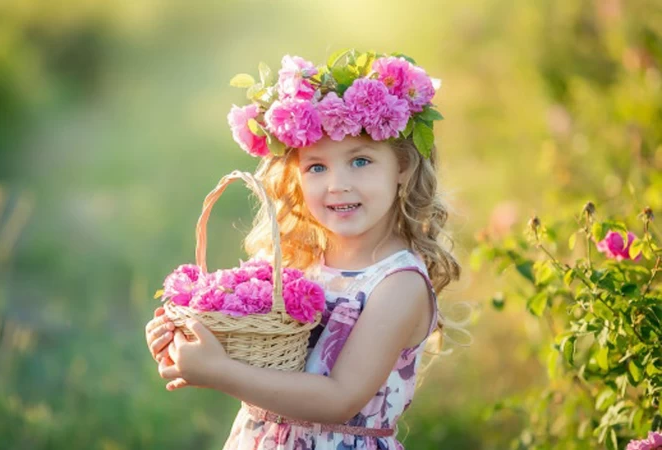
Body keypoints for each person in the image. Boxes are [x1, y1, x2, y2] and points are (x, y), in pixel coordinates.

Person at [144, 50, 463, 449]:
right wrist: (186, 340)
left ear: (402, 168)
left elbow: (340, 399)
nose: (337, 184)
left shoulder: (397, 283)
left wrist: (218, 372)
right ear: (296, 178)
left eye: (360, 161)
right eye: (317, 167)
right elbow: (254, 354)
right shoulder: (297, 262)